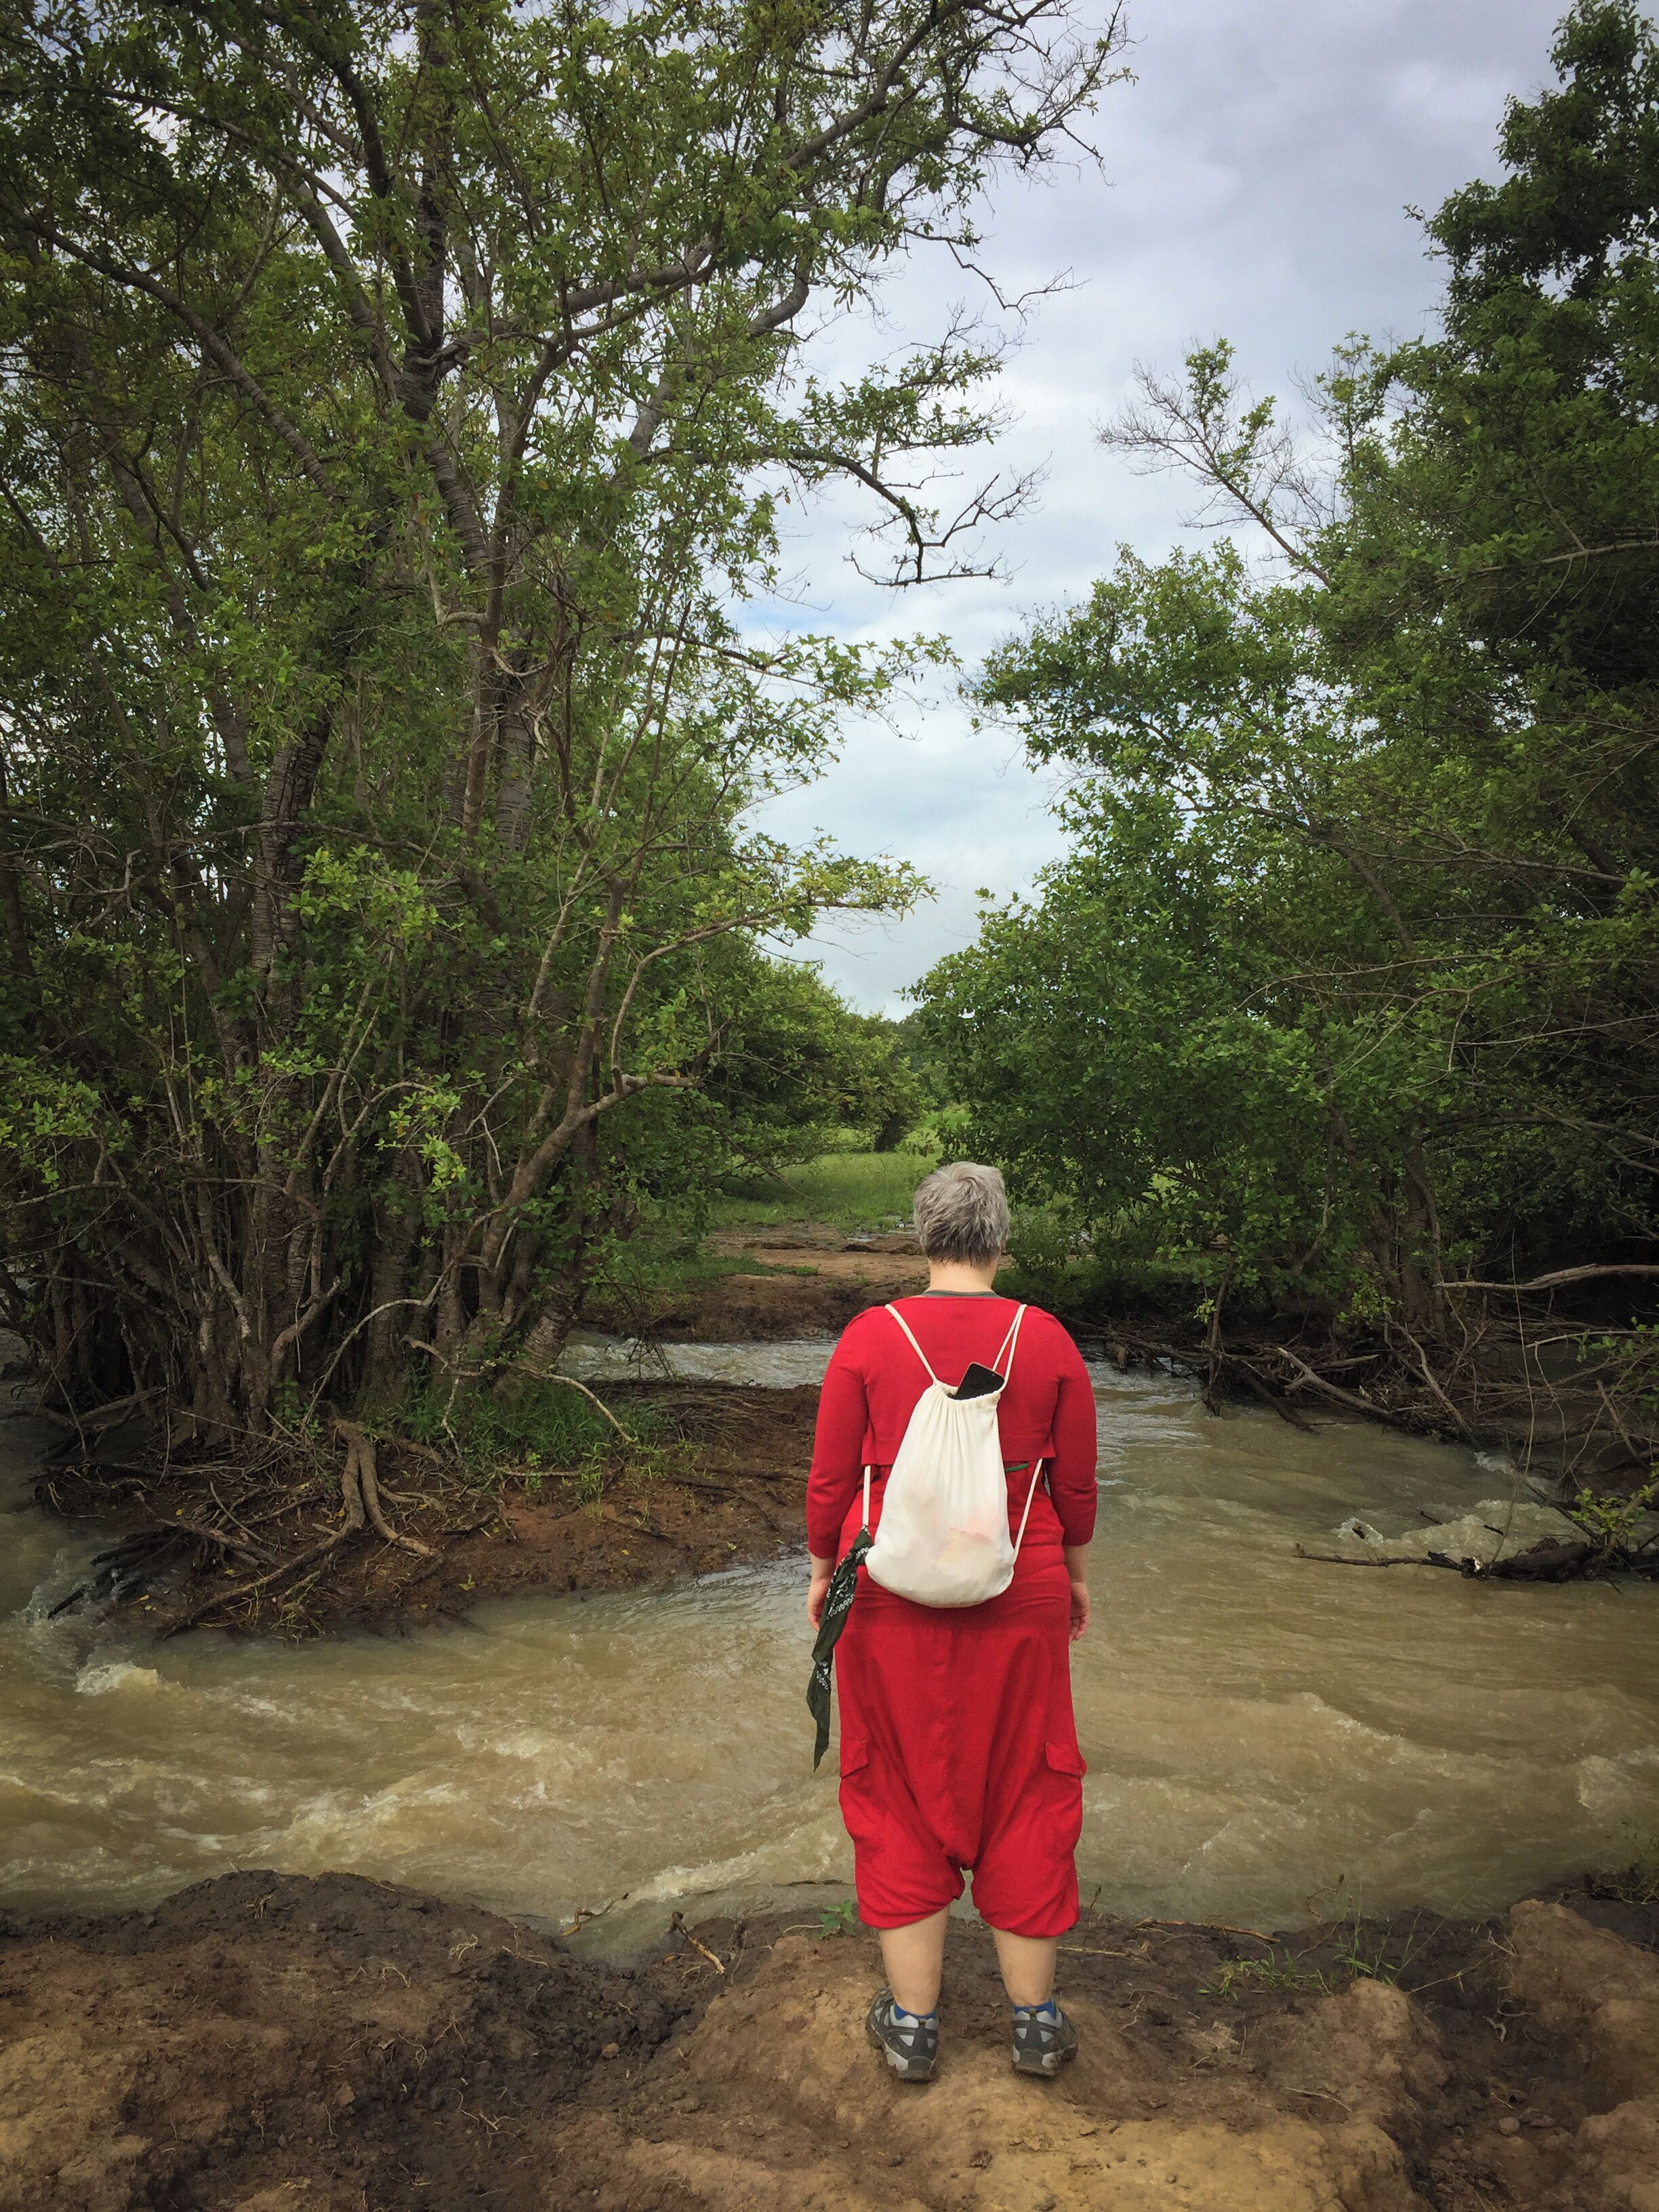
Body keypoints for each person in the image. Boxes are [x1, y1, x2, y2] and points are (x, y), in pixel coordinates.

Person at [806, 1161, 1098, 2082]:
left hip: (886, 1588)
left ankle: (914, 2026)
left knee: (892, 1780)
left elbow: (829, 1478)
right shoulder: (1045, 1338)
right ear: (1001, 1239)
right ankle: (1036, 2024)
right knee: (1027, 1778)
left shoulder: (868, 1335)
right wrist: (1075, 1575)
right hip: (1024, 1583)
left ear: (924, 1236)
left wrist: (822, 1571)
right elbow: (1078, 1482)